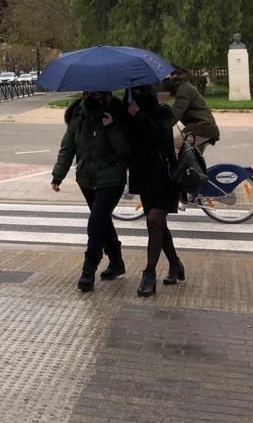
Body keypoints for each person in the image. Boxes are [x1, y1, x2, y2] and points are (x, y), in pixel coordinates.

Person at [51, 91, 132, 292]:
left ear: (106, 92)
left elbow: (125, 150)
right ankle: (116, 263)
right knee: (102, 220)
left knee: (96, 219)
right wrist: (58, 174)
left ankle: (88, 271)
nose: (92, 94)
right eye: (89, 90)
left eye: (96, 91)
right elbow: (67, 146)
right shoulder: (78, 114)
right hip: (86, 178)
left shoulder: (118, 112)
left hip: (112, 178)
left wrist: (112, 127)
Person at [125, 85, 182, 296]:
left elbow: (159, 135)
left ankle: (149, 273)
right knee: (159, 225)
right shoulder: (129, 113)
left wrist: (138, 115)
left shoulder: (163, 112)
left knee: (154, 221)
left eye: (141, 91)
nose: (137, 95)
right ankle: (175, 264)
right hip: (144, 178)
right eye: (134, 91)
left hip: (165, 177)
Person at [162, 66, 220, 155]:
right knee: (193, 160)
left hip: (202, 128)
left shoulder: (183, 89)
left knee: (174, 146)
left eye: (166, 76)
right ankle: (192, 168)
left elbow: (177, 112)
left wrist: (162, 127)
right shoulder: (183, 87)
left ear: (175, 76)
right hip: (203, 127)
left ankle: (183, 168)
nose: (164, 79)